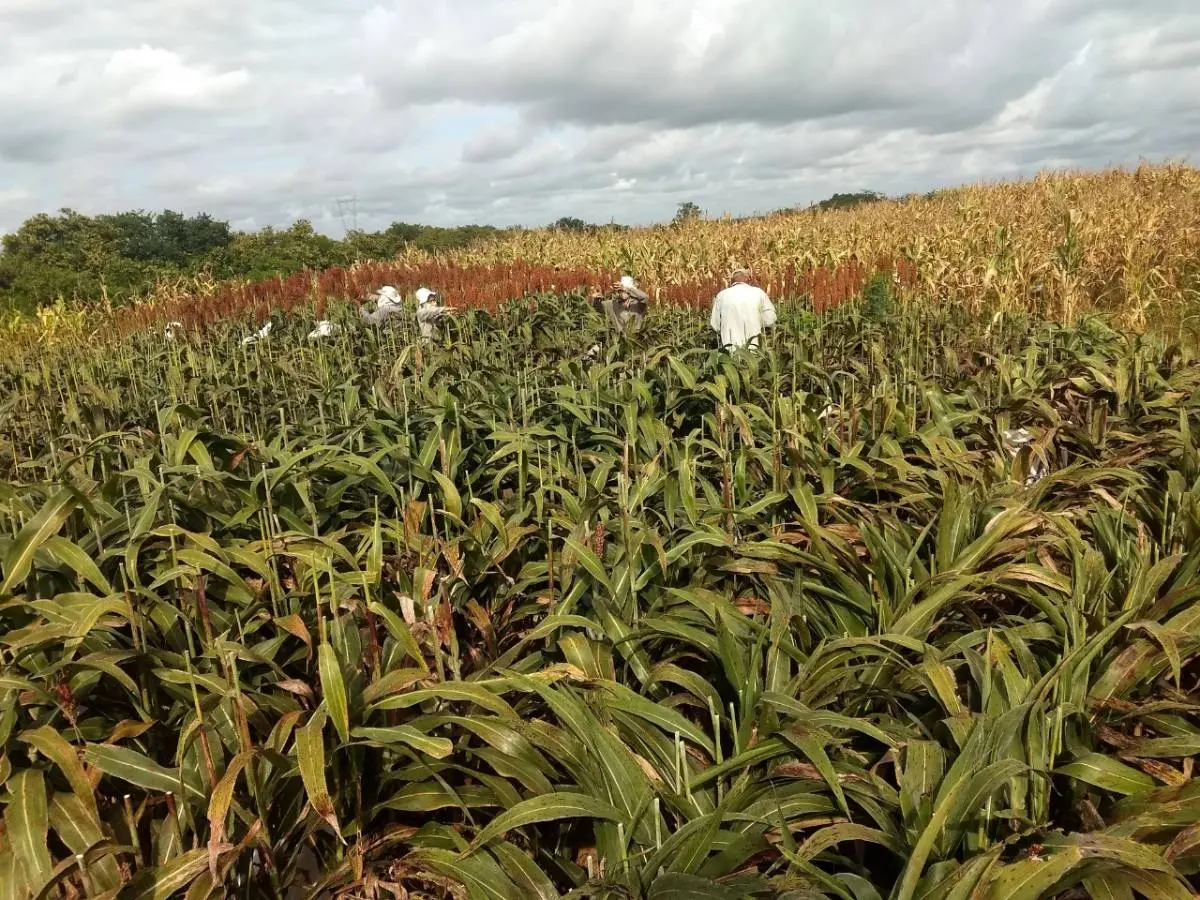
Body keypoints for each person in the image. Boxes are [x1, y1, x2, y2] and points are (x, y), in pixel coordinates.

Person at [709, 268, 777, 350]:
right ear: (748, 280)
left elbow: (715, 324)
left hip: (730, 349)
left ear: (732, 281)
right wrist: (757, 321)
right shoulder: (759, 293)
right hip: (754, 349)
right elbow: (770, 319)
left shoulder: (722, 295)